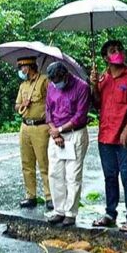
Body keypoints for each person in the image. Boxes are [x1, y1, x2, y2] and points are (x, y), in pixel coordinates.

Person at [89, 40, 127, 233]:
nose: (118, 53)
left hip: (125, 137)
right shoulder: (103, 78)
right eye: (113, 51)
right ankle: (110, 213)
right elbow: (97, 104)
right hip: (105, 136)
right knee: (109, 177)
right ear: (105, 57)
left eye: (120, 49)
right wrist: (93, 85)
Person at [45, 62, 91, 227]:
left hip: (74, 134)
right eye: (53, 80)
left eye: (57, 79)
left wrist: (60, 129)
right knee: (55, 173)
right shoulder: (51, 86)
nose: (56, 83)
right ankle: (59, 210)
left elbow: (80, 115)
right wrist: (54, 131)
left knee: (72, 175)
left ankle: (70, 213)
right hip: (55, 135)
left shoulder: (82, 87)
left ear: (65, 75)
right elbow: (48, 110)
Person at [14, 57, 53, 210]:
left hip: (40, 127)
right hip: (25, 126)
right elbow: (16, 106)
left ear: (29, 67)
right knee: (27, 163)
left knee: (44, 162)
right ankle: (31, 196)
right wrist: (22, 105)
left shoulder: (44, 81)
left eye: (21, 67)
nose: (20, 70)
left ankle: (50, 196)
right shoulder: (23, 85)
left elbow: (53, 100)